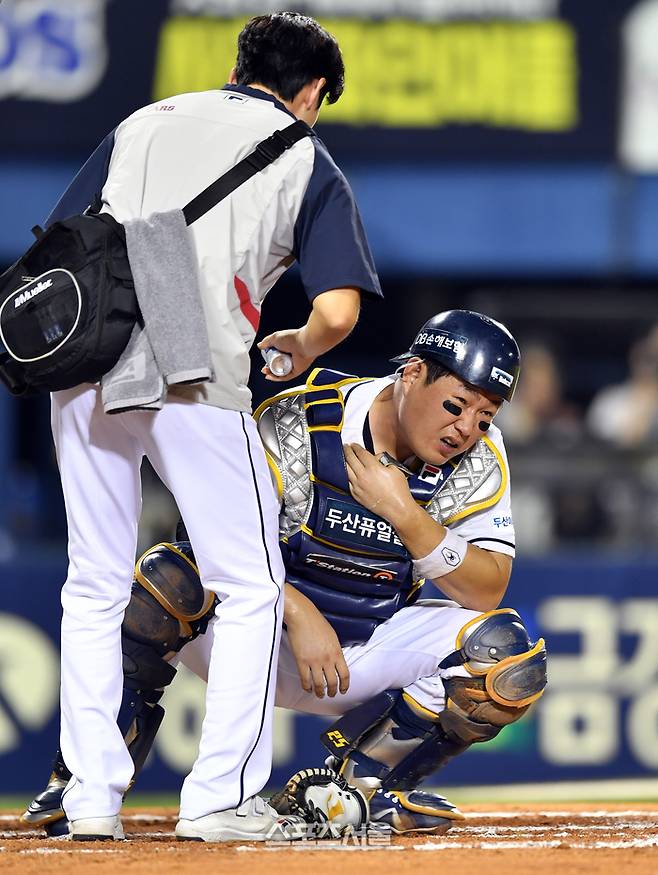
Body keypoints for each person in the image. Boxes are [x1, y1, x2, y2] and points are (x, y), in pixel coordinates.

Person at [46, 12, 382, 843]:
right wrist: (298, 344)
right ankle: (219, 797)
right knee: (253, 585)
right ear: (310, 92)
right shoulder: (303, 150)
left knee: (92, 580)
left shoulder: (143, 122)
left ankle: (90, 795)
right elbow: (337, 310)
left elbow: (64, 237)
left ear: (241, 65)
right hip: (190, 364)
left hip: (87, 354)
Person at [27, 310, 546, 838]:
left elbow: (488, 588)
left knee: (504, 658)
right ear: (411, 374)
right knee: (169, 577)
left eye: (484, 417)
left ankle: (353, 790)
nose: (466, 429)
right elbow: (209, 541)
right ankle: (84, 778)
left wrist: (405, 514)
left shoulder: (483, 459)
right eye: (456, 406)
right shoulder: (302, 420)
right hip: (252, 638)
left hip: (362, 651)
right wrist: (295, 611)